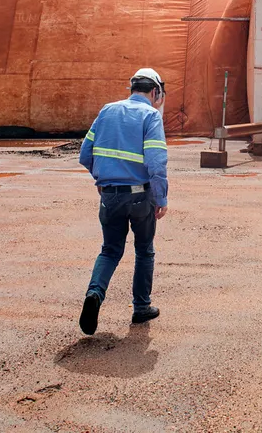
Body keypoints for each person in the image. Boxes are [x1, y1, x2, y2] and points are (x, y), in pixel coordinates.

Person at [77, 68, 169, 335]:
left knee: (110, 251)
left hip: (110, 196)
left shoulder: (107, 110)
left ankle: (95, 293)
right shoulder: (150, 115)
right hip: (141, 197)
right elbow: (155, 162)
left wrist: (103, 180)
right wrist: (161, 197)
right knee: (144, 250)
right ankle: (141, 308)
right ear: (155, 92)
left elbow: (85, 154)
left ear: (132, 88)